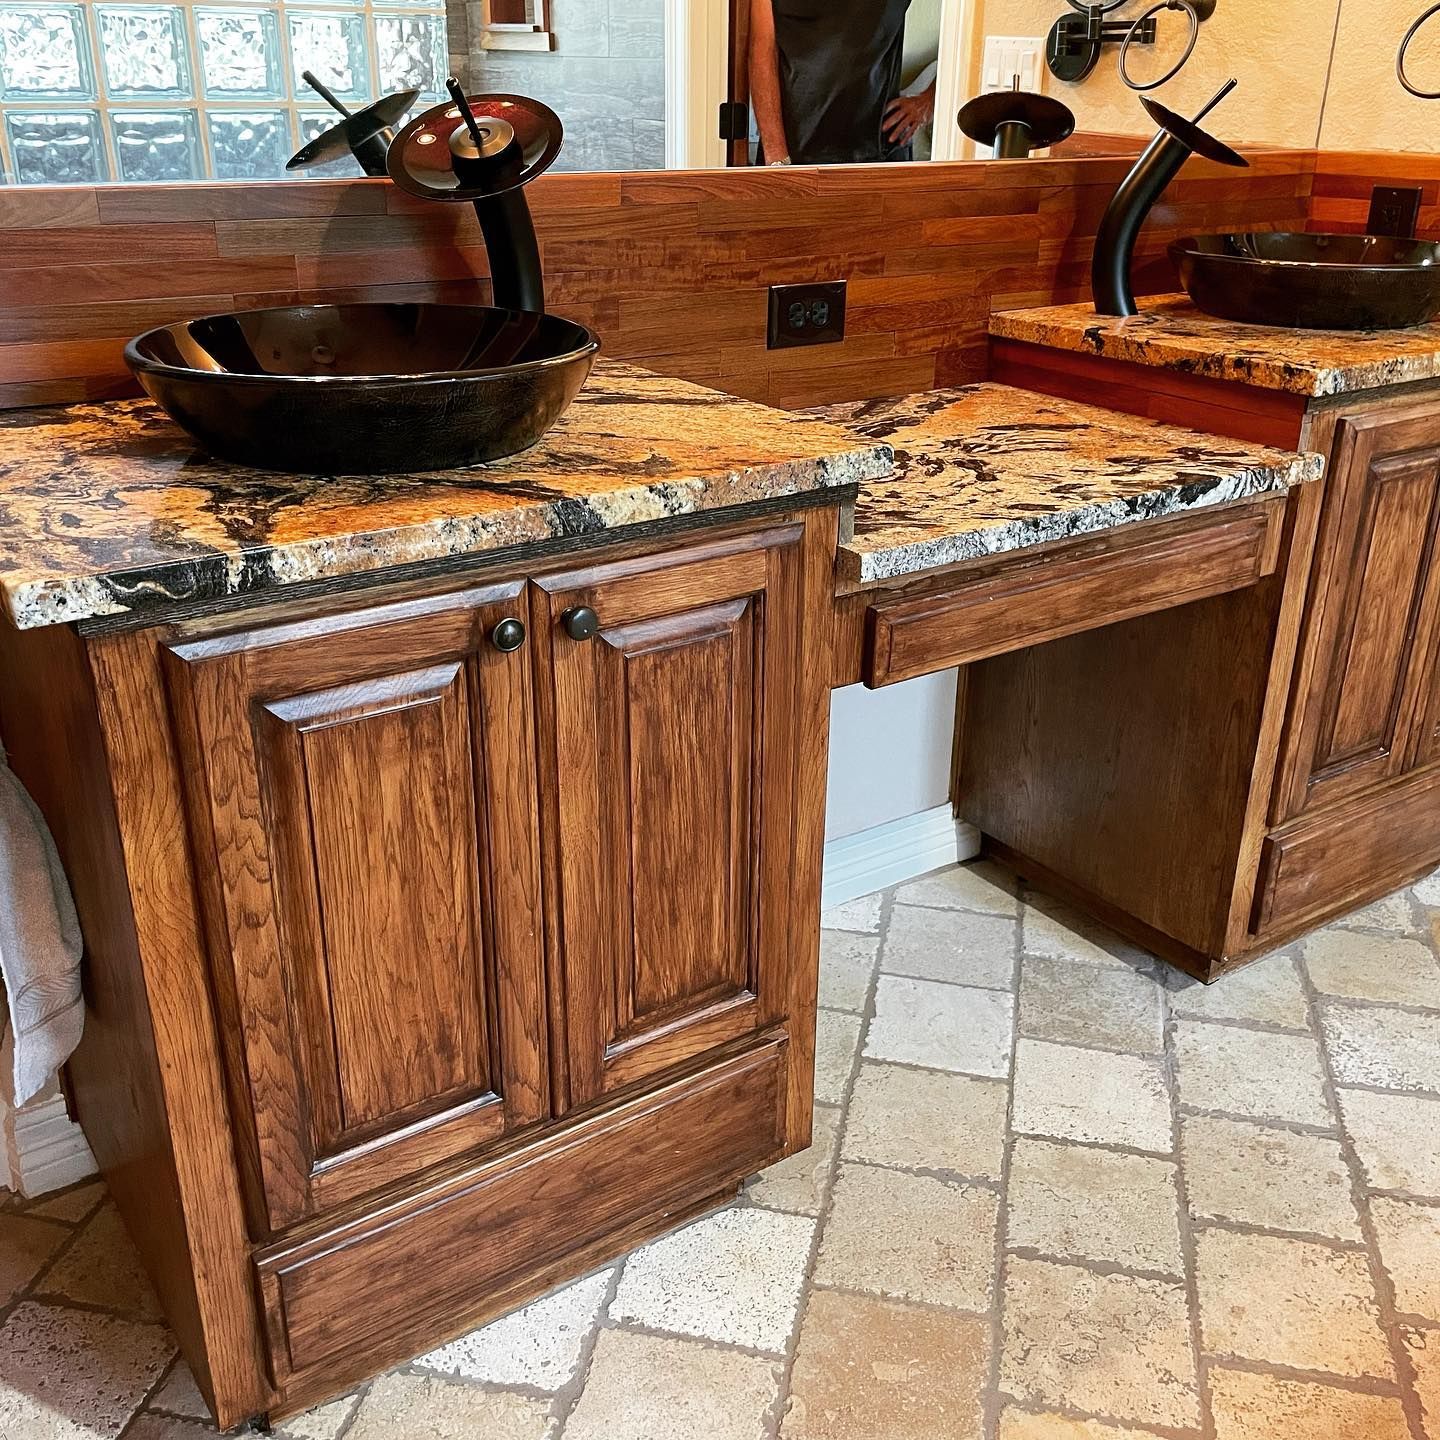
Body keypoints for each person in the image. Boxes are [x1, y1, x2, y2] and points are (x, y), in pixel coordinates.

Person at [749, 0, 937, 166]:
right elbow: (762, 51)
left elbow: (966, 23)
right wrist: (776, 159)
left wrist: (929, 101)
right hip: (790, 156)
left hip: (876, 155)